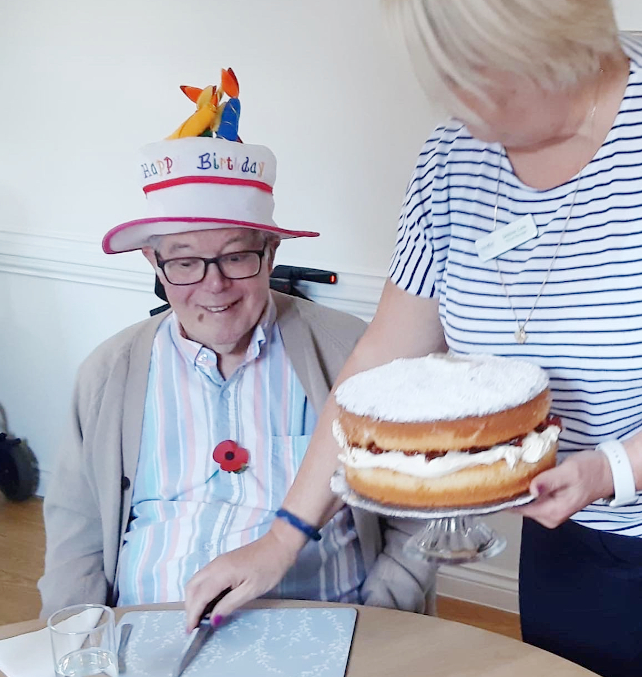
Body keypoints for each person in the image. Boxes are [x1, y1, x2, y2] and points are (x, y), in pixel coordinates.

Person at [184, 0, 642, 677]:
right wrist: (284, 537)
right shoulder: (455, 158)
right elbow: (381, 358)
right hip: (569, 530)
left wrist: (612, 471)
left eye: (470, 75)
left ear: (548, 38)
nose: (450, 103)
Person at [38, 77, 436, 619]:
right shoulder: (109, 373)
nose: (213, 285)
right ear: (154, 264)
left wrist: (382, 622)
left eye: (235, 256)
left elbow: (419, 510)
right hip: (151, 634)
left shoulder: (352, 351)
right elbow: (75, 535)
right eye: (183, 262)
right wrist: (76, 641)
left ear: (270, 252)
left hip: (321, 631)